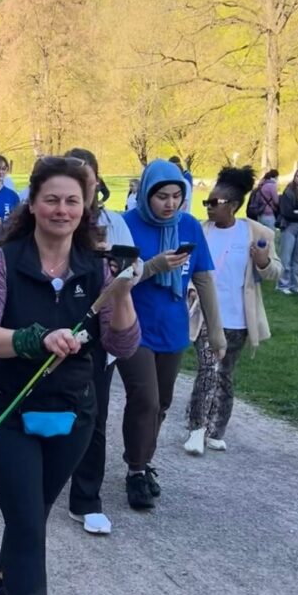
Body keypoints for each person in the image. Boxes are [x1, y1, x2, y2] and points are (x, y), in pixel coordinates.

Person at [0, 155, 140, 595]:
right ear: (33, 203)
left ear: (86, 207)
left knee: (30, 513)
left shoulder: (96, 267)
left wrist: (124, 290)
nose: (62, 209)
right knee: (29, 521)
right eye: (52, 199)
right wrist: (33, 338)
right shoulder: (2, 261)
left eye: (72, 200)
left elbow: (122, 346)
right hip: (5, 409)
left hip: (72, 414)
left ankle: (0, 586)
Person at [120, 159, 225, 507]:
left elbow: (204, 278)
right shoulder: (126, 226)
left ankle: (143, 461)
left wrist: (216, 332)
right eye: (161, 196)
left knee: (161, 403)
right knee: (145, 399)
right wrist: (154, 266)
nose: (169, 203)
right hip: (132, 326)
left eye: (176, 196)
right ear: (146, 194)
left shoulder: (190, 227)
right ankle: (136, 471)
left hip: (173, 327)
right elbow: (114, 281)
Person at [63, 148, 136, 536]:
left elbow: (133, 270)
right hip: (53, 328)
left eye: (86, 182)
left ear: (97, 184)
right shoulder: (53, 217)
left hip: (98, 334)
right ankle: (40, 475)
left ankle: (86, 498)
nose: (79, 190)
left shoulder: (113, 223)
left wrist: (118, 270)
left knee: (94, 415)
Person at [184, 167, 281, 455]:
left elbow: (275, 271)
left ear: (234, 205)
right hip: (205, 315)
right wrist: (189, 287)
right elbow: (188, 267)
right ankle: (196, 429)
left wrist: (263, 261)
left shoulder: (256, 233)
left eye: (214, 203)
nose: (209, 207)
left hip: (239, 317)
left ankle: (216, 430)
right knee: (208, 368)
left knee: (224, 372)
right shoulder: (200, 231)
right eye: (207, 203)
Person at [277, 169, 298, 294]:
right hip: (289, 226)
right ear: (294, 177)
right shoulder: (288, 193)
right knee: (286, 257)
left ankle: (295, 285)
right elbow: (287, 212)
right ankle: (283, 285)